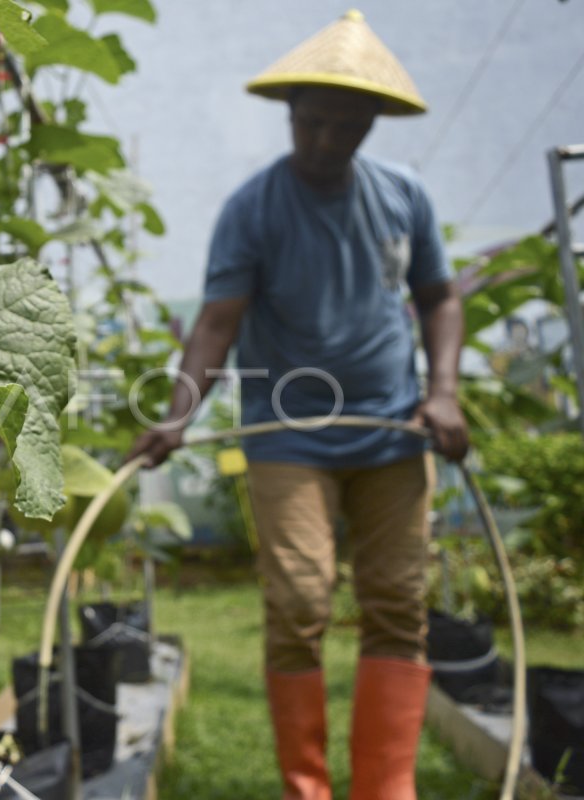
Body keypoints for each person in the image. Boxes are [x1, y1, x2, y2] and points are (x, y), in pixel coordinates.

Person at [126, 11, 469, 800]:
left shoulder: (404, 196)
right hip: (289, 436)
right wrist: (177, 416)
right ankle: (307, 789)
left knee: (397, 601)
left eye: (344, 127)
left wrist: (444, 392)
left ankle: (386, 787)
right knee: (301, 599)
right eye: (311, 123)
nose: (324, 141)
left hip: (392, 428)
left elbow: (440, 299)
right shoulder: (254, 208)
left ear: (370, 124)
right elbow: (218, 322)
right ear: (290, 115)